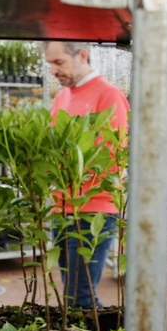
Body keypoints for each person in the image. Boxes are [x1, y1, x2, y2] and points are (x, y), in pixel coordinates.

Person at [45, 41, 129, 307]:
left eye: (59, 63)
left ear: (82, 55)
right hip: (61, 208)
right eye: (50, 63)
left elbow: (111, 157)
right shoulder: (61, 98)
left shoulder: (109, 95)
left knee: (79, 295)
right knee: (72, 292)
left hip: (94, 208)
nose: (53, 70)